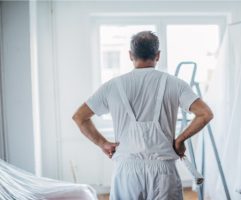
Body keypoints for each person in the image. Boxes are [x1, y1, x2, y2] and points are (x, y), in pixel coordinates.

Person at [72, 31, 213, 200]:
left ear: (131, 55)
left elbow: (79, 117)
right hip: (164, 172)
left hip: (127, 172)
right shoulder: (175, 84)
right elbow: (205, 114)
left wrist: (103, 143)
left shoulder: (112, 86)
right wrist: (180, 140)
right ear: (158, 55)